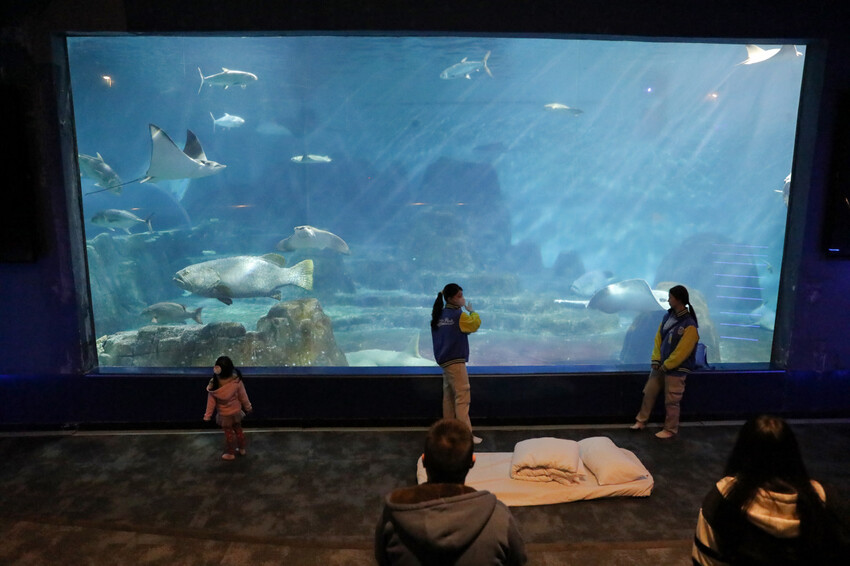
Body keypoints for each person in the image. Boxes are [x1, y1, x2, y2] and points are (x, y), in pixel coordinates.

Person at [692, 415, 845, 565]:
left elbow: (705, 559)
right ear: (793, 453)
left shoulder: (723, 498)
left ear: (742, 454)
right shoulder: (824, 499)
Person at [375, 418, 527, 565]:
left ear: (424, 460)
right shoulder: (498, 516)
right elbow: (517, 560)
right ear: (472, 461)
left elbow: (383, 559)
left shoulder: (394, 514)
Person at [629, 284, 699, 439]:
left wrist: (668, 364)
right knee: (649, 392)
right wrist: (656, 359)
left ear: (678, 300)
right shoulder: (668, 317)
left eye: (670, 297)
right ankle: (641, 420)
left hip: (676, 369)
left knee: (672, 400)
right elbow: (658, 338)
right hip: (660, 366)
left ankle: (670, 429)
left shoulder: (689, 325)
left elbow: (683, 350)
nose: (668, 300)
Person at [430, 283, 483, 444]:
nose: (462, 298)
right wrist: (472, 312)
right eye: (459, 296)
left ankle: (448, 431)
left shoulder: (439, 315)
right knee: (462, 396)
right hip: (456, 361)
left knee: (449, 396)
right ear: (451, 298)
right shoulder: (458, 316)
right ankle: (465, 435)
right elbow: (474, 325)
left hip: (444, 361)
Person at [203, 355, 252, 460]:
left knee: (229, 434)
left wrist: (207, 416)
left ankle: (231, 453)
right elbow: (243, 396)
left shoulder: (214, 384)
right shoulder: (236, 381)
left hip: (224, 415)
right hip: (236, 413)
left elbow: (210, 403)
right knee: (239, 430)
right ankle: (242, 449)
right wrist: (248, 407)